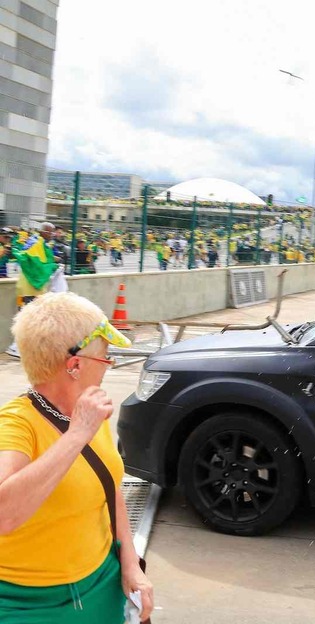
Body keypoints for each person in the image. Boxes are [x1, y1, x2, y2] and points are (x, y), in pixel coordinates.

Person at [0, 293, 154, 622]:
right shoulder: (16, 424)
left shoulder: (88, 409)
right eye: (105, 358)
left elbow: (112, 492)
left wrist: (130, 564)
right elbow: (4, 514)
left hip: (101, 585)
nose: (109, 367)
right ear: (75, 365)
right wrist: (76, 434)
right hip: (26, 603)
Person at [7, 223, 57, 358]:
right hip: (28, 288)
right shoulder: (35, 243)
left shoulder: (42, 244)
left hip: (35, 289)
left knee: (35, 320)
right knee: (25, 319)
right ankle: (16, 347)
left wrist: (52, 264)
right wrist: (52, 265)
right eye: (50, 232)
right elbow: (34, 263)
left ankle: (26, 348)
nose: (52, 235)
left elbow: (41, 263)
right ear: (43, 232)